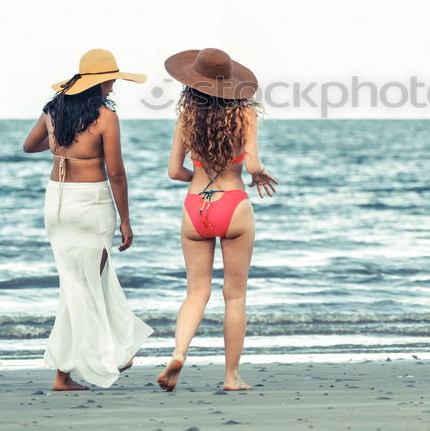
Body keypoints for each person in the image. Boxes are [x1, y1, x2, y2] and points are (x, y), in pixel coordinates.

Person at [22, 48, 153, 391]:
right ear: (101, 82)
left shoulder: (53, 111)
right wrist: (126, 220)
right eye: (111, 79)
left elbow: (29, 145)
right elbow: (116, 172)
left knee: (76, 284)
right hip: (91, 204)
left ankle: (65, 372)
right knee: (88, 282)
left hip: (57, 203)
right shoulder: (105, 117)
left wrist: (61, 145)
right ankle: (111, 355)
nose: (113, 85)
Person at [157, 48, 278, 392]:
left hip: (195, 207)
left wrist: (198, 176)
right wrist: (259, 175)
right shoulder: (244, 116)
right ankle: (231, 377)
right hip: (233, 205)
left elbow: (173, 171)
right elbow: (252, 165)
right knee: (234, 296)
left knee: (196, 292)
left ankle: (179, 353)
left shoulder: (186, 119)